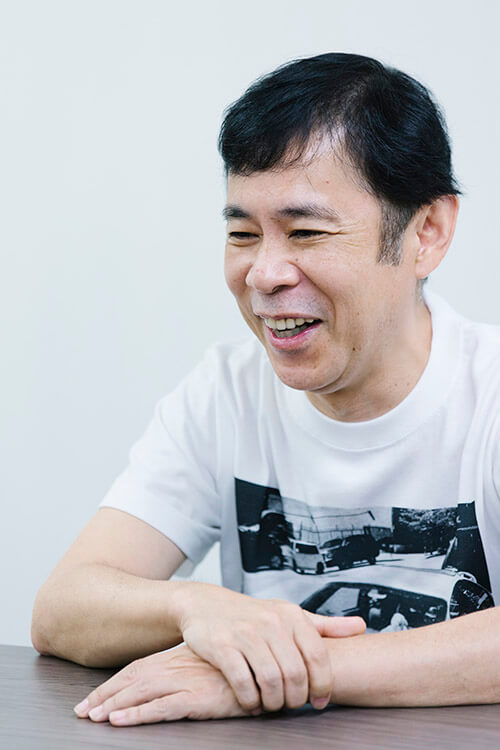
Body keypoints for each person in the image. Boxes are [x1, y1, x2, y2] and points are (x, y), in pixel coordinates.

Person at [31, 52, 500, 726]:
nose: (264, 273)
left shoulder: (489, 394)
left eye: (306, 232)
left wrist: (284, 674)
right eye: (242, 234)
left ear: (427, 233)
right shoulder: (226, 393)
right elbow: (63, 607)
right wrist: (196, 607)